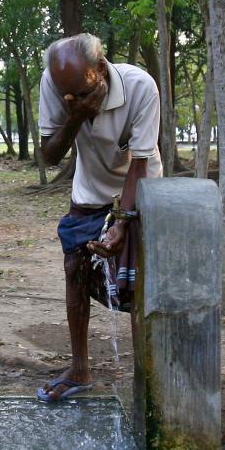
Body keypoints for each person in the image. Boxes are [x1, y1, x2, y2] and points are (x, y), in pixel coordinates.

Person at [35, 34, 162, 403]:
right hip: (89, 191)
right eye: (65, 94)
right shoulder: (56, 85)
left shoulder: (141, 88)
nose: (68, 97)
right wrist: (75, 116)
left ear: (101, 69)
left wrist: (123, 221)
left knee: (139, 283)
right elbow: (50, 155)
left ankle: (148, 378)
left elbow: (139, 164)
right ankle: (79, 368)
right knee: (74, 268)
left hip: (140, 189)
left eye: (77, 90)